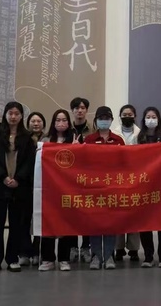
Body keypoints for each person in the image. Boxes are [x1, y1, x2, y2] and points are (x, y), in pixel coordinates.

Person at [0, 102, 36, 273]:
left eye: (16, 114)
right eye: (10, 113)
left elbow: (30, 162)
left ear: (21, 116)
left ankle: (12, 258)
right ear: (5, 115)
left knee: (16, 225)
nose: (13, 117)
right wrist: (4, 177)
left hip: (19, 187)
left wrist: (18, 179)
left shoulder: (27, 138)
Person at [130, 107, 161, 268]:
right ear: (143, 119)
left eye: (154, 117)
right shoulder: (137, 138)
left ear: (158, 119)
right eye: (148, 117)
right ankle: (148, 256)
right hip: (143, 185)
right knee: (145, 222)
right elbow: (132, 159)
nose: (151, 119)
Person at [84, 106, 125, 270]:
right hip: (93, 188)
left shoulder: (118, 140)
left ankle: (109, 256)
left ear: (112, 120)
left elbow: (125, 163)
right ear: (96, 120)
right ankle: (95, 256)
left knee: (110, 223)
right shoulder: (89, 140)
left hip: (112, 187)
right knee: (94, 222)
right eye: (101, 118)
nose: (104, 121)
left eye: (107, 118)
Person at [38, 109, 76, 272]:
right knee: (48, 222)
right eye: (58, 120)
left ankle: (64, 259)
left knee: (65, 224)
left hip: (68, 189)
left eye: (64, 120)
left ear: (69, 122)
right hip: (49, 189)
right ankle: (47, 259)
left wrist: (78, 149)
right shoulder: (45, 140)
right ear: (53, 123)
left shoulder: (74, 139)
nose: (61, 123)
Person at [112, 104, 141, 262]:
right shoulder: (114, 134)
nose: (127, 117)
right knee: (119, 214)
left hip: (136, 177)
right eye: (124, 114)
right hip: (118, 177)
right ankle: (119, 248)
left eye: (130, 114)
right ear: (120, 116)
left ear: (135, 116)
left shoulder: (140, 134)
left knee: (134, 214)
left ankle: (134, 249)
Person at [70, 97, 92, 263]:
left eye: (83, 108)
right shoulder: (65, 128)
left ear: (86, 110)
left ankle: (85, 246)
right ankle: (71, 246)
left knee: (87, 213)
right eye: (76, 108)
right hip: (69, 179)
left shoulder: (93, 130)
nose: (80, 110)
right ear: (72, 110)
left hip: (88, 177)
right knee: (71, 211)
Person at [26, 111, 46, 265]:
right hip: (25, 183)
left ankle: (37, 249)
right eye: (33, 121)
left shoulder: (48, 139)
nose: (36, 123)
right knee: (25, 219)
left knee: (40, 218)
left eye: (39, 121)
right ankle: (25, 251)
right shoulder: (24, 139)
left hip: (43, 183)